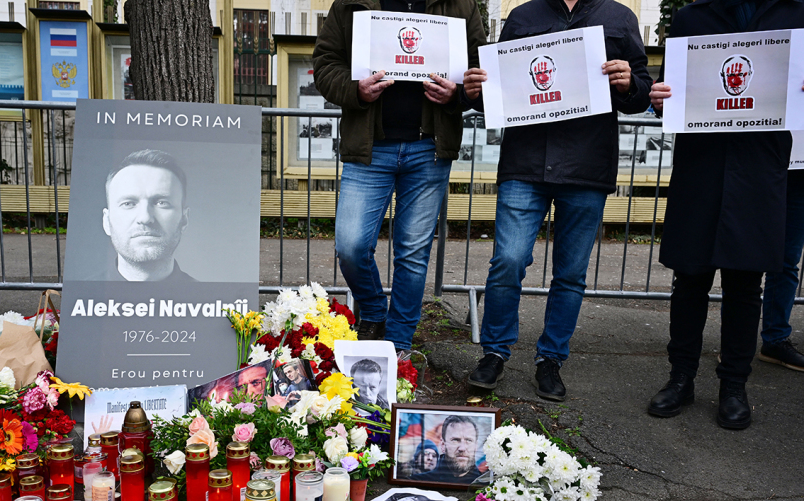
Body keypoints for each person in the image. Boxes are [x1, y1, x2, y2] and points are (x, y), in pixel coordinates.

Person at [463, 0, 652, 400]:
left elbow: (641, 93)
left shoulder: (619, 18)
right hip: (525, 163)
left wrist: (630, 84)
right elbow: (496, 94)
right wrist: (477, 92)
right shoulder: (522, 17)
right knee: (508, 261)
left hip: (587, 165)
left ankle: (551, 360)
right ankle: (494, 353)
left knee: (570, 274)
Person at [647, 0, 804, 429]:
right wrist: (659, 97)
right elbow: (667, 90)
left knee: (745, 282)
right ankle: (681, 378)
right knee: (690, 278)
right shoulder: (691, 18)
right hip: (702, 164)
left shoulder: (796, 17)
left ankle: (734, 385)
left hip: (760, 167)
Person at [313, 0, 486, 351]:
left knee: (413, 252)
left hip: (429, 148)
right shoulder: (351, 2)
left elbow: (481, 72)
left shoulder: (460, 5)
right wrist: (355, 89)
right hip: (369, 147)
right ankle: (375, 311)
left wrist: (458, 95)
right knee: (351, 245)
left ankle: (399, 342)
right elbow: (325, 64)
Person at [100, 149, 195, 281]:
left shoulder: (211, 298)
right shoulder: (82, 295)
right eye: (128, 203)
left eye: (162, 203)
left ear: (184, 219)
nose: (145, 218)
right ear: (106, 221)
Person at [759, 172, 804, 371]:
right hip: (760, 164)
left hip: (799, 173)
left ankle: (775, 340)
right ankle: (734, 342)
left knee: (788, 260)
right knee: (741, 262)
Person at [410, 415, 480, 484]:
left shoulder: (487, 486)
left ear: (475, 446)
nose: (462, 448)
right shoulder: (417, 482)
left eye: (468, 440)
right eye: (455, 440)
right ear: (443, 445)